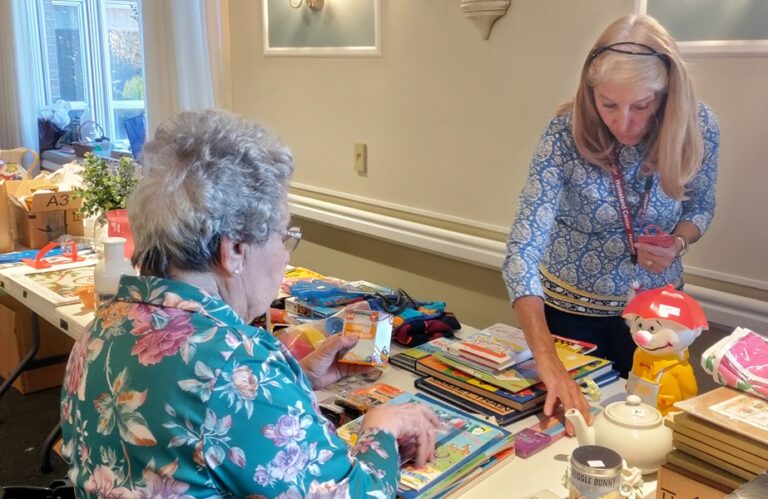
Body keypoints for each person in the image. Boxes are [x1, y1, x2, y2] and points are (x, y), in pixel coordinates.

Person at [60, 110, 440, 497]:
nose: (285, 255)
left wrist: (295, 382)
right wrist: (381, 427)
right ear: (235, 251)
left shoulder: (102, 327)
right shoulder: (232, 363)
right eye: (283, 235)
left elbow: (192, 413)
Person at [502, 14, 719, 426]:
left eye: (641, 105)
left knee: (655, 429)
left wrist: (677, 243)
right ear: (591, 93)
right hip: (572, 318)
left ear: (667, 94)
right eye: (608, 104)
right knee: (572, 432)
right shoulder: (564, 133)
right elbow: (522, 251)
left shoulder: (700, 125)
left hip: (661, 320)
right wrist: (547, 360)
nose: (623, 122)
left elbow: (701, 207)